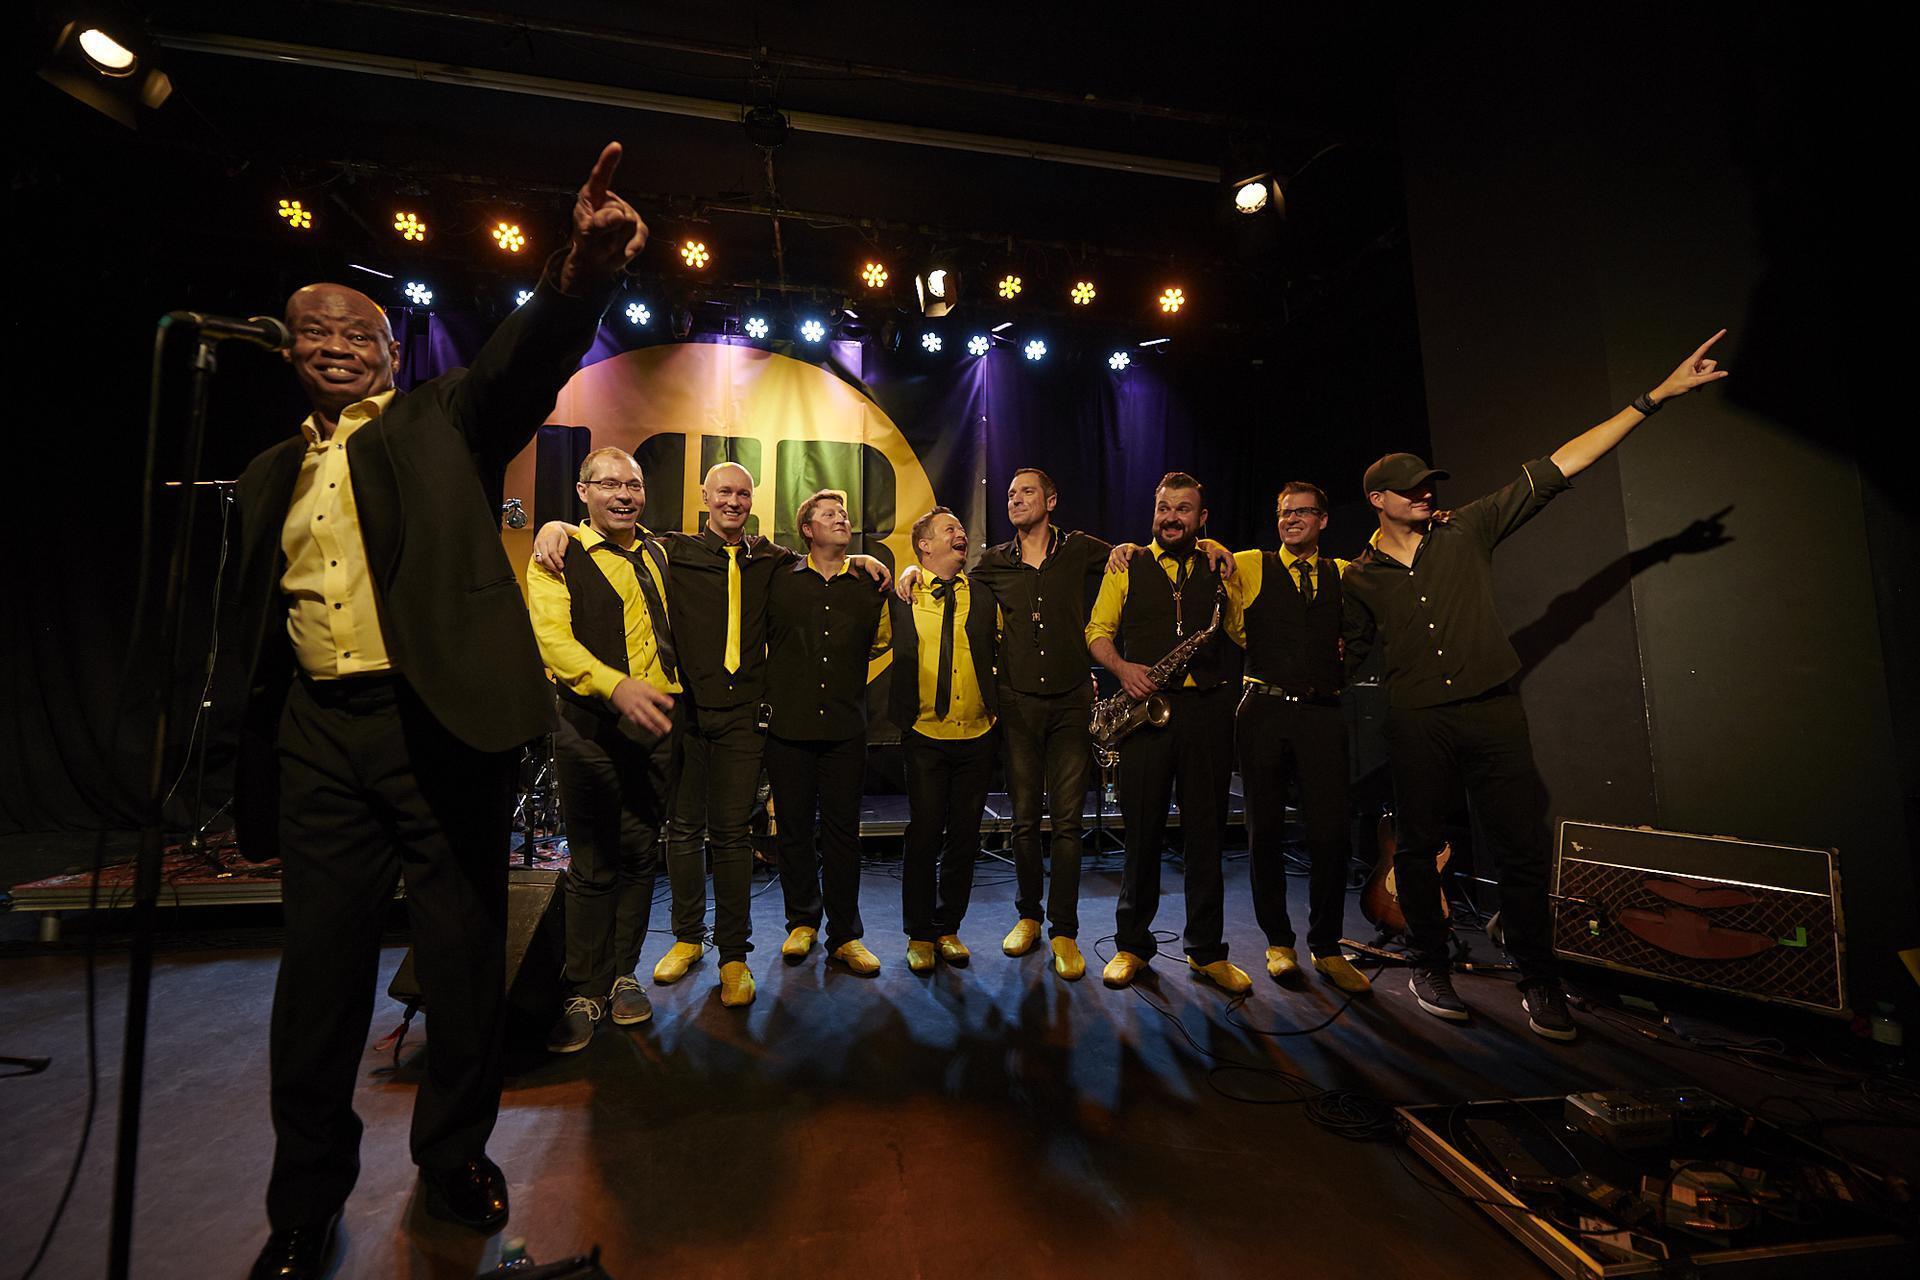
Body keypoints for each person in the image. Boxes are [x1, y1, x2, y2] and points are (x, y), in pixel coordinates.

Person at [233, 144, 664, 1279]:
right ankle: (302, 1203)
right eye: (313, 329)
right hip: (320, 734)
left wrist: (579, 271)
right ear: (287, 348)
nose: (335, 342)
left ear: (390, 350)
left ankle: (455, 1156)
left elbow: (526, 358)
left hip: (436, 727)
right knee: (317, 978)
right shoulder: (268, 474)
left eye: (357, 330)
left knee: (464, 958)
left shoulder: (441, 420)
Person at [1342, 331, 1729, 1041]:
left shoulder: (1467, 529)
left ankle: (1538, 979)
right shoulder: (1359, 577)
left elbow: (1563, 462)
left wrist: (1656, 397)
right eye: (1411, 487)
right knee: (1417, 850)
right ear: (1377, 500)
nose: (1427, 493)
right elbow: (1345, 650)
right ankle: (1430, 964)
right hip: (1419, 719)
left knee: (1520, 848)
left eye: (1430, 484)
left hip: (1492, 711)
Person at [532, 464, 888, 1008]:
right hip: (685, 712)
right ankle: (686, 938)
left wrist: (862, 558)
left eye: (743, 494)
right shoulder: (670, 550)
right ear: (704, 496)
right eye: (724, 492)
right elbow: (607, 535)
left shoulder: (770, 559)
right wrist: (556, 525)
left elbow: (824, 561)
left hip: (744, 715)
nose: (733, 501)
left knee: (731, 835)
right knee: (681, 832)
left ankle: (733, 956)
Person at [896, 469, 1232, 981]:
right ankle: (1028, 916)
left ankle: (1064, 931)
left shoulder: (1082, 549)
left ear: (1051, 500)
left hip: (1072, 703)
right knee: (1024, 822)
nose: (1015, 499)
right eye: (1010, 494)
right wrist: (908, 570)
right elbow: (942, 578)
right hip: (1018, 705)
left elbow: (1134, 552)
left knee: (1069, 824)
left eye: (1026, 491)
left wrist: (1209, 544)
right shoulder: (992, 564)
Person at [526, 447, 681, 1053]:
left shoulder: (660, 551)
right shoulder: (557, 555)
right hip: (590, 726)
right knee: (593, 865)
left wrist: (858, 556)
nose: (624, 494)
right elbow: (552, 642)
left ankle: (622, 975)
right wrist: (615, 685)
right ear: (583, 491)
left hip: (658, 725)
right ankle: (583, 989)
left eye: (633, 485)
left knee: (641, 856)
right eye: (610, 484)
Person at [1086, 472, 1251, 994]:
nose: (1171, 517)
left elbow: (1241, 632)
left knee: (1207, 835)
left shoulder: (1220, 566)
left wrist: (1225, 567)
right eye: (1164, 508)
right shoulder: (1126, 563)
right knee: (1141, 834)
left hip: (1207, 713)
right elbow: (1096, 632)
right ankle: (1132, 946)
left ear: (1202, 518)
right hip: (1144, 712)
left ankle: (1206, 952)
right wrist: (1122, 669)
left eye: (1183, 509)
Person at [1224, 482, 1372, 994]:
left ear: (1323, 520)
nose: (1291, 519)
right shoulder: (1252, 563)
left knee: (1331, 834)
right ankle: (1279, 943)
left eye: (1303, 512)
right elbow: (1207, 551)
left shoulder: (1342, 573)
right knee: (1263, 832)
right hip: (1263, 709)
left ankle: (1327, 946)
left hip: (1321, 712)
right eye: (1284, 512)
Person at [763, 488, 891, 976]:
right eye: (829, 513)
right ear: (807, 529)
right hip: (789, 727)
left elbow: (881, 640)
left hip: (844, 727)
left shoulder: (869, 584)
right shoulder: (781, 578)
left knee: (843, 835)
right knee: (793, 830)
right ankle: (802, 922)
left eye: (844, 513)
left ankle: (845, 935)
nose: (841, 518)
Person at [888, 507, 1000, 973]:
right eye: (948, 529)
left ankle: (948, 927)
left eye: (960, 528)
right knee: (925, 833)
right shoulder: (902, 594)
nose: (960, 534)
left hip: (977, 732)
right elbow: (871, 642)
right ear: (924, 546)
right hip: (925, 733)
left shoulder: (983, 593)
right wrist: (903, 573)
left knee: (965, 837)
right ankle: (919, 932)